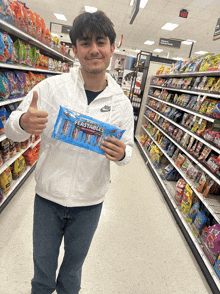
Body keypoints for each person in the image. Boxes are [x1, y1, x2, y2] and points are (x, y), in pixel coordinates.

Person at [5, 10, 134, 294]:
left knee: (72, 274)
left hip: (90, 204)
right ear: (74, 50)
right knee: (42, 275)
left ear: (113, 47)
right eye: (85, 43)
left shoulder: (122, 104)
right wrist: (23, 122)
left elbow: (129, 153)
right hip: (48, 200)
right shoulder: (52, 88)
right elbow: (12, 126)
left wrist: (122, 154)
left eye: (101, 41)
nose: (94, 50)